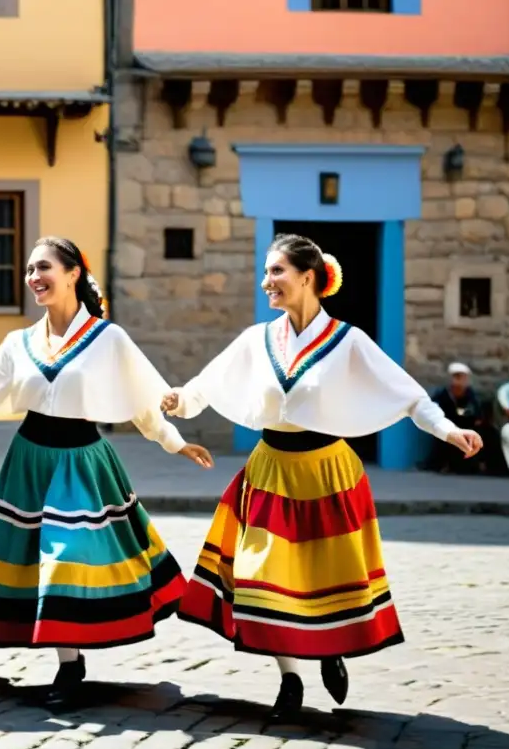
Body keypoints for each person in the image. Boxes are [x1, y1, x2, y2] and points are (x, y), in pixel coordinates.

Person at [162, 233, 483, 721]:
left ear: (307, 277)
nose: (267, 281)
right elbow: (207, 384)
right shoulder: (257, 339)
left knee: (325, 576)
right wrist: (178, 401)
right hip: (270, 470)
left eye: (277, 272)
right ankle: (290, 678)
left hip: (328, 473)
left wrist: (447, 428)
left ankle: (329, 646)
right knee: (259, 577)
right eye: (267, 271)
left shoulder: (348, 341)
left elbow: (409, 395)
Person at [0, 236, 213, 712]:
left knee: (69, 560)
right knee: (38, 566)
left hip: (82, 461)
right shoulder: (17, 343)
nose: (33, 278)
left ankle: (78, 655)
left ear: (73, 274)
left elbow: (143, 398)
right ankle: (70, 663)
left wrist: (173, 441)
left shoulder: (109, 339)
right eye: (28, 270)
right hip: (29, 460)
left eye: (43, 267)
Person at [428, 362, 486, 474]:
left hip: (468, 426)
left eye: (462, 377)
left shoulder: (470, 394)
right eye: (457, 377)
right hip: (449, 426)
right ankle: (444, 464)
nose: (459, 381)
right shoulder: (443, 395)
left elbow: (477, 414)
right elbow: (435, 412)